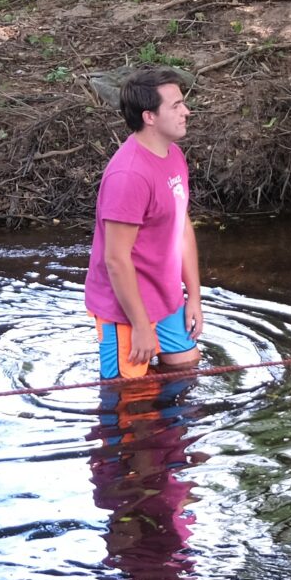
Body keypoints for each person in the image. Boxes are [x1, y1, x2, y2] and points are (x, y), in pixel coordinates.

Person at [87, 67, 203, 380]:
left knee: (185, 368)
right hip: (124, 307)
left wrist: (194, 296)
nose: (186, 111)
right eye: (176, 106)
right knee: (128, 394)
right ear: (149, 117)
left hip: (165, 296)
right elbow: (116, 259)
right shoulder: (129, 176)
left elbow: (181, 228)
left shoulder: (173, 155)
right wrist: (140, 326)